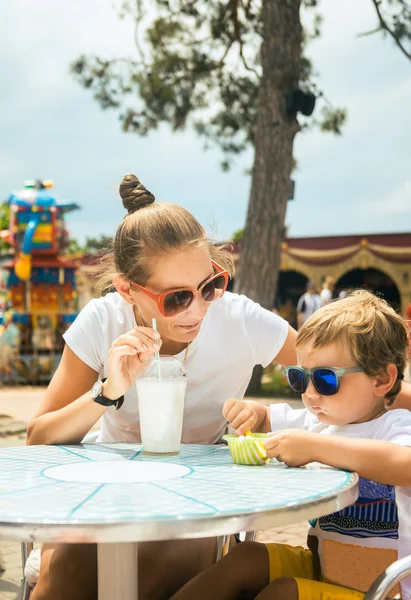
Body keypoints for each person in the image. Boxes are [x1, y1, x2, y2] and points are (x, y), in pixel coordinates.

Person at [26, 173, 297, 600]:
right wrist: (108, 390)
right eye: (176, 298)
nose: (197, 310)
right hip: (109, 489)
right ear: (126, 291)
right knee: (62, 577)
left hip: (200, 495)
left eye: (209, 286)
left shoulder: (238, 319)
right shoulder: (102, 320)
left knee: (152, 579)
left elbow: (341, 373)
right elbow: (38, 438)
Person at [170, 290, 411, 600]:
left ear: (381, 380)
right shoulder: (319, 421)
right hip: (326, 567)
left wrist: (314, 447)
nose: (309, 394)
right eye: (299, 378)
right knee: (247, 558)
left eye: (325, 380)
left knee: (285, 593)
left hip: (386, 591)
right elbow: (266, 418)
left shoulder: (394, 426)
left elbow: (404, 464)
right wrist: (251, 413)